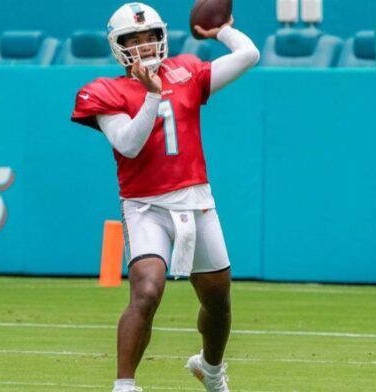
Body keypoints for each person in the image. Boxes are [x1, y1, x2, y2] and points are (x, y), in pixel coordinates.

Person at [71, 3, 259, 391]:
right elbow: (128, 144)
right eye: (133, 40)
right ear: (118, 46)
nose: (143, 46)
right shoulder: (105, 90)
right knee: (147, 289)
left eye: (149, 37)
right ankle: (124, 385)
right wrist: (153, 97)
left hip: (196, 200)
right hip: (145, 205)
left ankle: (210, 367)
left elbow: (249, 55)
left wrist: (219, 30)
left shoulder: (186, 70)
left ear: (162, 38)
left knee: (218, 301)